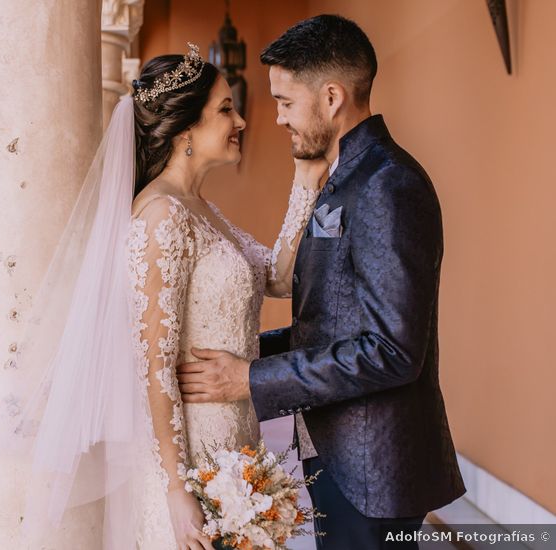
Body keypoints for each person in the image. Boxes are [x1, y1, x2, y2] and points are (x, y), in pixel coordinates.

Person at [3, 42, 326, 549]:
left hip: (236, 438)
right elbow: (151, 366)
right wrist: (177, 488)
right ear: (185, 131)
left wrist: (306, 179)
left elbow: (280, 277)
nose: (241, 120)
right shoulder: (160, 218)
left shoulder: (200, 208)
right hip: (190, 458)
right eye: (225, 109)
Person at [176, 16, 466, 549]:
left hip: (372, 468)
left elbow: (391, 351)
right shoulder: (345, 178)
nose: (278, 118)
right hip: (340, 456)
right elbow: (333, 322)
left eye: (286, 102)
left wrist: (252, 380)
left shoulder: (387, 185)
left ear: (331, 97)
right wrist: (243, 358)